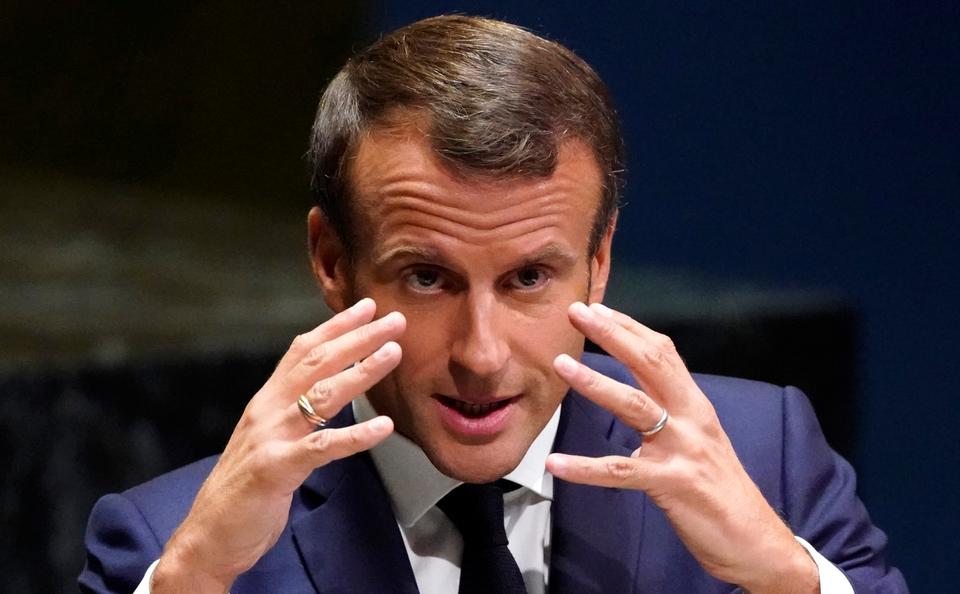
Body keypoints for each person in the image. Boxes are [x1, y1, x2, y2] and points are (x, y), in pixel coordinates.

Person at [79, 15, 907, 594]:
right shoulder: (171, 546)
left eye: (528, 279)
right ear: (333, 261)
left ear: (600, 260)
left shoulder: (770, 462)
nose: (482, 355)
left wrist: (786, 579)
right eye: (429, 278)